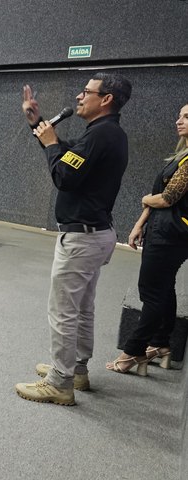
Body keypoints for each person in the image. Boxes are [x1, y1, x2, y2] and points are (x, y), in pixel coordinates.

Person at [15, 73, 132, 406]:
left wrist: (51, 142)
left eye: (86, 92)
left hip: (81, 238)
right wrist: (38, 125)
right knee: (82, 307)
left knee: (64, 311)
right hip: (96, 234)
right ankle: (76, 369)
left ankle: (60, 382)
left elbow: (64, 176)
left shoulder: (101, 135)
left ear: (106, 99)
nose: (79, 97)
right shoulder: (105, 134)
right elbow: (69, 160)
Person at [105, 103, 188, 376]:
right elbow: (158, 200)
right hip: (162, 231)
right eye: (179, 115)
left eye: (187, 117)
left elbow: (168, 198)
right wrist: (139, 224)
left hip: (171, 236)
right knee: (164, 288)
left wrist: (143, 199)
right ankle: (160, 345)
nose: (179, 121)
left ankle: (133, 352)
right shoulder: (181, 156)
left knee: (151, 292)